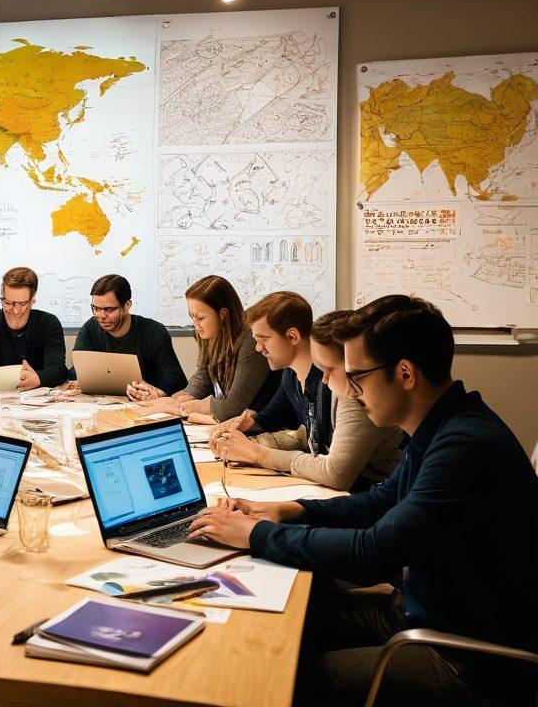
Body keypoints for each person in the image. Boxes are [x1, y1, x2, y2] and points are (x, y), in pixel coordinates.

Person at [189, 295, 538, 707]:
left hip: (468, 657)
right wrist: (288, 510)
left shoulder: (464, 446)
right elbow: (377, 502)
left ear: (405, 373)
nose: (350, 392)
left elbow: (374, 552)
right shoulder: (442, 424)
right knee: (293, 621)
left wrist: (257, 535)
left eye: (357, 377)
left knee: (289, 675)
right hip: (422, 610)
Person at [209, 295, 405, 491]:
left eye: (263, 339)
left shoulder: (347, 387)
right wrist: (243, 432)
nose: (258, 348)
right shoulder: (291, 375)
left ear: (293, 337)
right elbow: (275, 419)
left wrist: (256, 453)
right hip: (340, 489)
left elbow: (337, 473)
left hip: (368, 490)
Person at [129, 275, 278, 422]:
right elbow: (205, 373)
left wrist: (184, 407)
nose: (196, 324)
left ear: (223, 314)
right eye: (191, 316)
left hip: (259, 423)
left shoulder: (251, 339)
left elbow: (232, 408)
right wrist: (180, 398)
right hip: (231, 420)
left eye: (200, 318)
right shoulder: (208, 332)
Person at [67, 274, 187, 394]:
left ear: (127, 305)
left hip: (143, 400)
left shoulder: (154, 332)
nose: (101, 316)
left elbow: (176, 379)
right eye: (96, 308)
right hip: (101, 400)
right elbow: (78, 370)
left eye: (109, 309)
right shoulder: (90, 328)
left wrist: (156, 393)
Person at [0, 267, 67, 391]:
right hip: (0, 394)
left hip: (38, 394)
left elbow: (59, 370)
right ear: (2, 298)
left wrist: (39, 378)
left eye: (21, 304)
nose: (15, 310)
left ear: (32, 301)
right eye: (8, 303)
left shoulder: (48, 323)